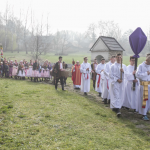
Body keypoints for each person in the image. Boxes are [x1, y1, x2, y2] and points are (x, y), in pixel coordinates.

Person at [136, 56, 150, 121]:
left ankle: (147, 111)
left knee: (149, 100)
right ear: (147, 60)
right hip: (144, 85)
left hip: (149, 85)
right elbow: (137, 75)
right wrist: (146, 73)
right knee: (144, 100)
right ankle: (144, 114)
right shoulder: (141, 66)